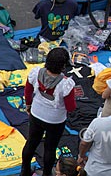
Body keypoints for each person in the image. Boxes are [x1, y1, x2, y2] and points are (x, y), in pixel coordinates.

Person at [21, 48, 76, 176]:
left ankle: (25, 171)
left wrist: (28, 105)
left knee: (31, 142)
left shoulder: (35, 73)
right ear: (63, 66)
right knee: (50, 148)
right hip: (55, 121)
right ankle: (47, 173)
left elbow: (28, 92)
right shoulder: (66, 84)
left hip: (36, 114)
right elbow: (70, 107)